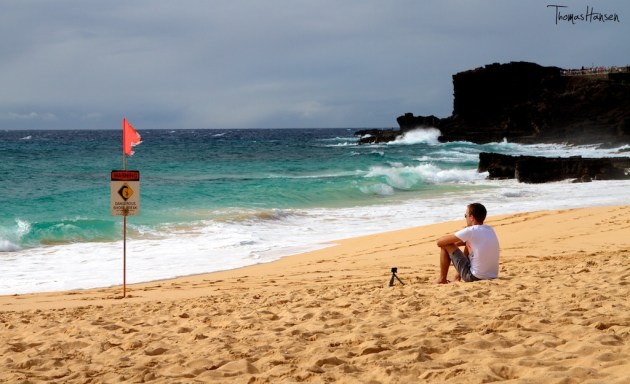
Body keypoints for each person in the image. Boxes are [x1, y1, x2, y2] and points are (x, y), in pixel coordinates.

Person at [435, 203, 499, 284]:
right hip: (492, 275)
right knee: (468, 242)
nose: (465, 218)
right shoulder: (489, 229)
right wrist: (458, 243)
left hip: (474, 277)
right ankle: (457, 277)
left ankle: (442, 279)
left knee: (446, 245)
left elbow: (439, 242)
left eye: (466, 216)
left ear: (472, 217)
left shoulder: (471, 231)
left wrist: (452, 244)